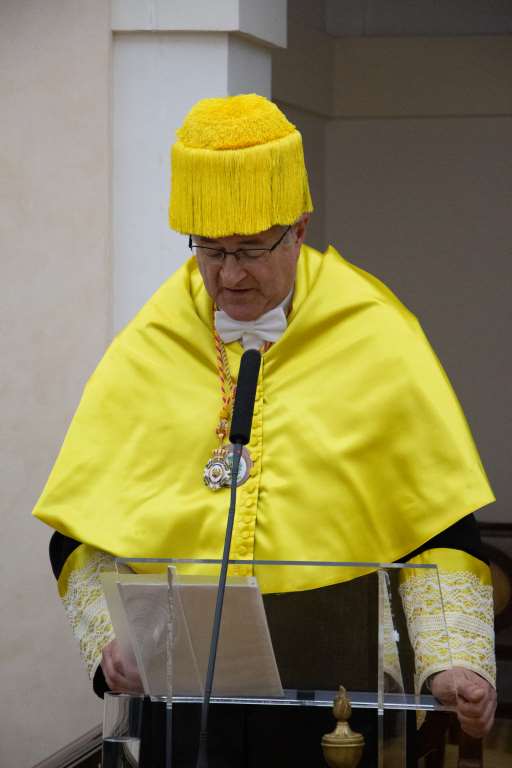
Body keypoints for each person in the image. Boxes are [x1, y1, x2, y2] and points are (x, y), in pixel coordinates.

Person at [34, 94, 497, 765]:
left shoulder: (376, 334)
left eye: (251, 249)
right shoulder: (150, 341)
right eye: (211, 250)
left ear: (299, 229)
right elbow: (77, 533)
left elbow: (440, 529)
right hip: (182, 701)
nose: (229, 275)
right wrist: (112, 648)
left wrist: (454, 667)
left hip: (337, 695)